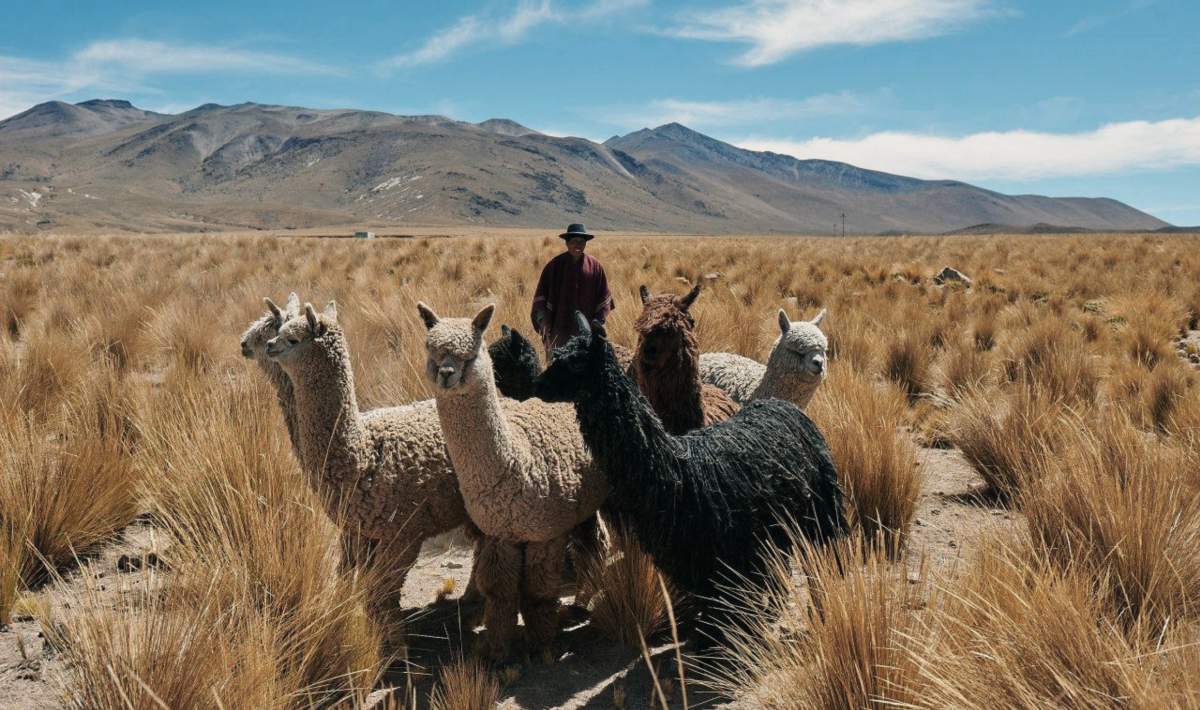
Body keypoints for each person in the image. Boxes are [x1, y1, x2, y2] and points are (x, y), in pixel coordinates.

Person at [530, 223, 615, 358]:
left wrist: (597, 324)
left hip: (586, 334)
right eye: (574, 241)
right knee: (557, 370)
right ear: (567, 243)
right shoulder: (554, 266)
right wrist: (542, 321)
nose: (578, 245)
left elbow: (604, 299)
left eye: (581, 242)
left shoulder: (595, 267)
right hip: (558, 331)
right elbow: (541, 298)